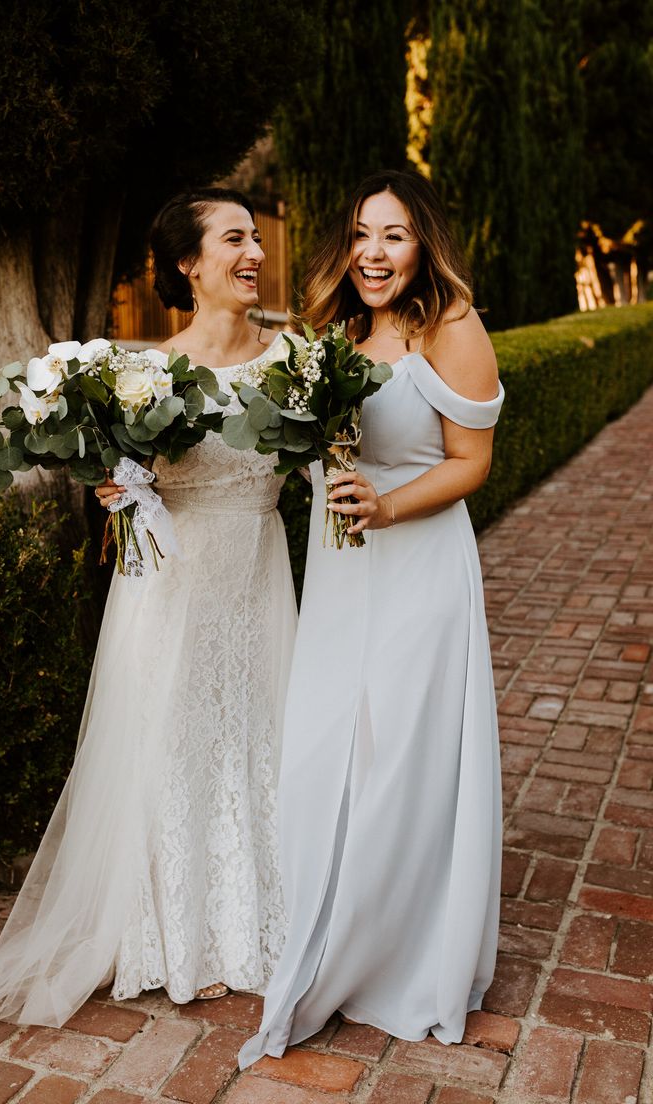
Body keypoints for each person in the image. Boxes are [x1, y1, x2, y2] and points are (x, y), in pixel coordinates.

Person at [0, 187, 297, 1027]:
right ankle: (176, 935)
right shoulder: (138, 376)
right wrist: (118, 487)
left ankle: (271, 916)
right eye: (232, 240)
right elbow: (120, 486)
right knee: (171, 745)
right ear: (188, 263)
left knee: (260, 735)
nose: (253, 254)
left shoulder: (295, 363)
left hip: (260, 579)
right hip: (171, 594)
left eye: (256, 239)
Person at [240, 169, 504, 1068]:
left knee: (402, 754)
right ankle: (330, 911)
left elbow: (472, 462)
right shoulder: (336, 331)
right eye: (360, 234)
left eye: (392, 235)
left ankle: (398, 947)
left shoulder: (451, 326)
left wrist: (388, 508)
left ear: (423, 240)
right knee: (331, 743)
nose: (373, 253)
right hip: (342, 573)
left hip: (418, 565)